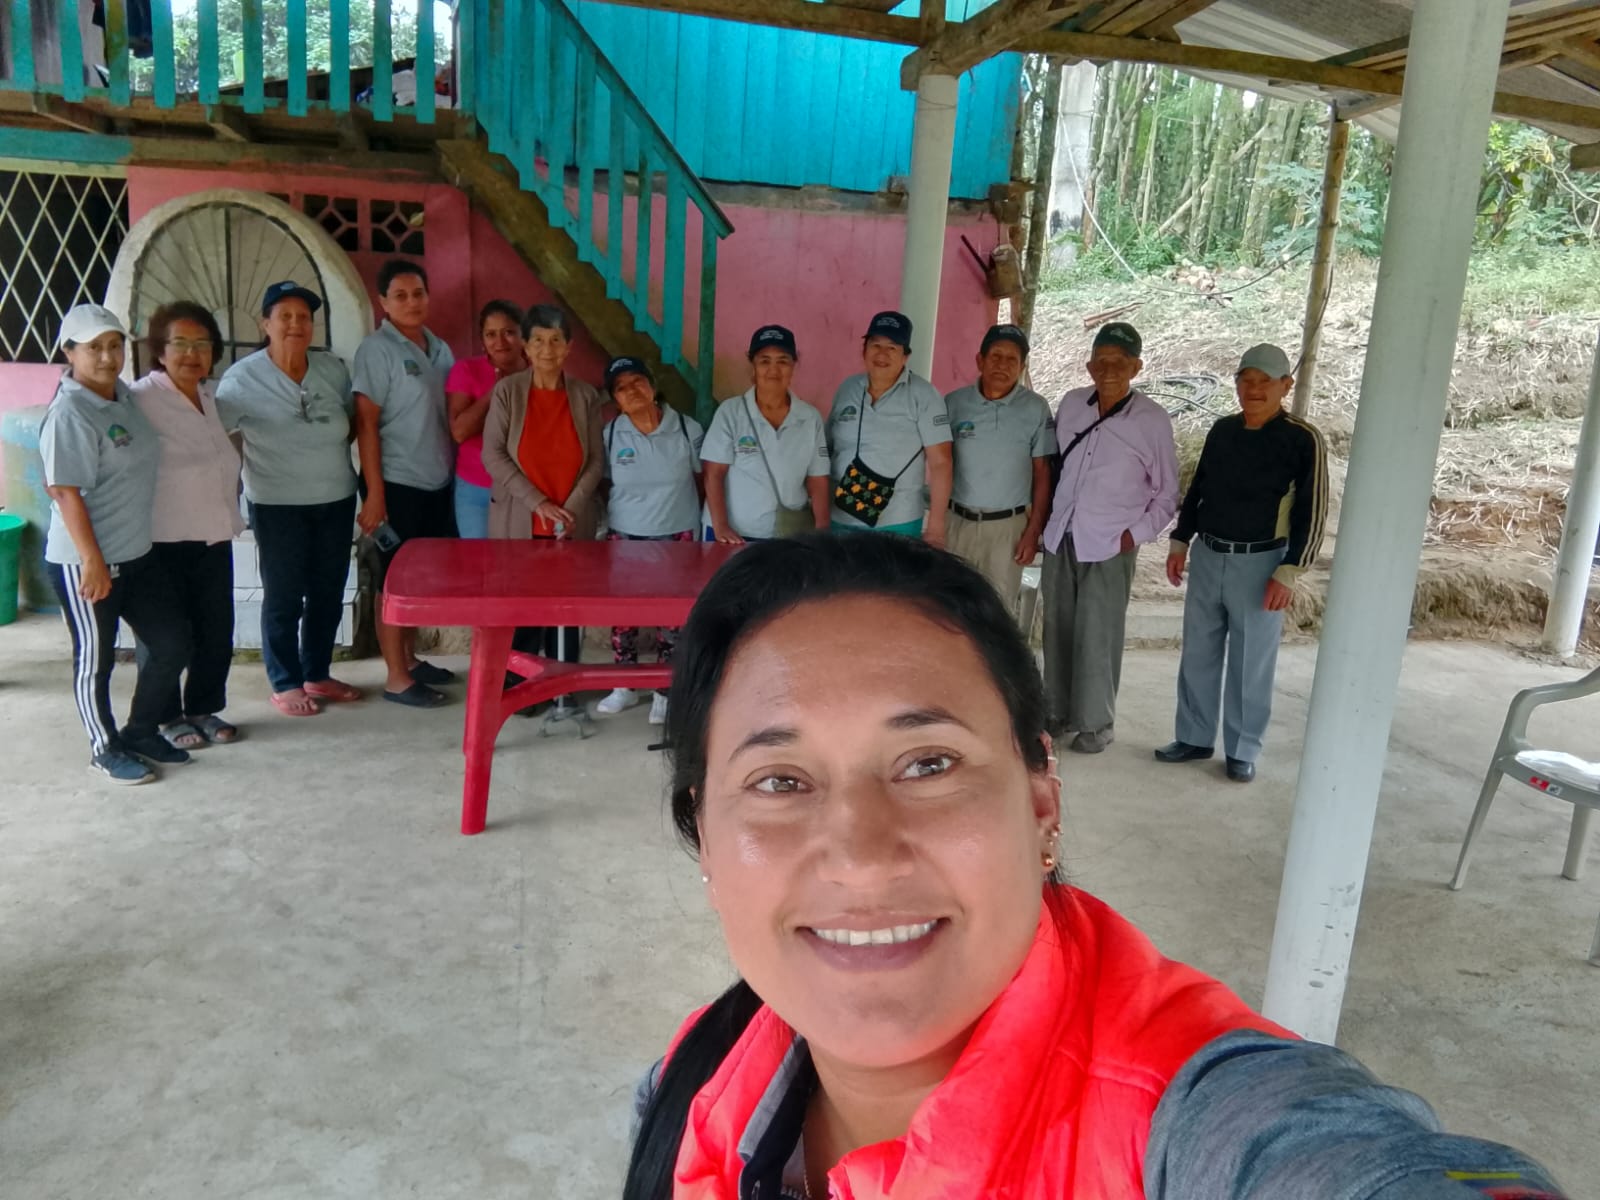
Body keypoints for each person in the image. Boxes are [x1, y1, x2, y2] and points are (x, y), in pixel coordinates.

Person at [624, 534, 1568, 1200]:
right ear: (703, 833)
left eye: (928, 764)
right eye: (779, 781)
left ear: (1042, 801)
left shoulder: (1184, 1120)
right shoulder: (693, 1086)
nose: (863, 856)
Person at [1157, 344, 1329, 783]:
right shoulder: (1223, 430)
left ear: (1285, 386)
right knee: (1198, 652)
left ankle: (1242, 749)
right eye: (1245, 380)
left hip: (1261, 563)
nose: (1253, 389)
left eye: (1264, 382)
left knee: (1251, 662)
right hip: (1209, 555)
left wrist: (1290, 571)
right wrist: (1180, 540)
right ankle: (1194, 736)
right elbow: (1199, 488)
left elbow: (1313, 510)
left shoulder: (1302, 438)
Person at [40, 304, 190, 784]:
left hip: (136, 554)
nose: (107, 357)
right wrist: (92, 560)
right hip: (86, 561)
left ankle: (141, 731)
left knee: (172, 642)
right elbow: (65, 491)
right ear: (69, 353)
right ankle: (103, 749)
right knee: (95, 660)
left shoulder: (123, 397)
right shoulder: (69, 413)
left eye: (114, 345)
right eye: (94, 348)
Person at [217, 281, 364, 718]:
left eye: (304, 317)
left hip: (335, 498)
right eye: (285, 316)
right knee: (284, 595)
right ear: (266, 324)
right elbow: (217, 437)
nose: (296, 324)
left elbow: (352, 424)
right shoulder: (242, 378)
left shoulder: (332, 370)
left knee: (327, 591)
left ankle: (316, 672)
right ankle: (285, 681)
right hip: (277, 504)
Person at [1040, 321, 1178, 754]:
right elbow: (1055, 467)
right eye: (1101, 361)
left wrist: (1133, 536)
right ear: (1089, 366)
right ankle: (1057, 713)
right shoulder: (1072, 405)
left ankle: (1096, 723)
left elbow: (1167, 495)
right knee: (1057, 629)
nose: (1109, 370)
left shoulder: (1151, 420)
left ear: (1137, 367)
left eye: (1120, 362)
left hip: (1110, 543)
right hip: (1062, 535)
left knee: (1098, 634)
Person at [128, 301, 244, 748]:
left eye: (202, 344)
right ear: (160, 350)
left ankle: (203, 708)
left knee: (215, 629)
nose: (192, 354)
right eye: (180, 343)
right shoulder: (140, 399)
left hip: (213, 533)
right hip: (163, 538)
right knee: (166, 637)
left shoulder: (209, 396)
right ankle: (167, 716)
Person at [480, 304, 605, 711]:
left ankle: (562, 689)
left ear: (568, 347)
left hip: (570, 521)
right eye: (538, 341)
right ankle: (520, 690)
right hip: (520, 520)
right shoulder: (509, 392)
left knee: (566, 610)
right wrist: (540, 503)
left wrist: (569, 507)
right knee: (521, 611)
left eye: (555, 340)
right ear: (526, 347)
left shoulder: (585, 396)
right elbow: (493, 455)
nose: (547, 350)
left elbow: (595, 461)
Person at [352, 258, 458, 708]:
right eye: (400, 296)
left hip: (436, 481)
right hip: (394, 483)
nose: (411, 302)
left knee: (417, 579)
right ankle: (396, 678)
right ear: (383, 302)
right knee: (392, 580)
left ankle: (410, 660)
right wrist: (376, 495)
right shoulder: (376, 350)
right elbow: (366, 423)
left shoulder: (440, 349)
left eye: (418, 294)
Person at [593, 357, 705, 725]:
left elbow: (704, 479)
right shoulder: (611, 434)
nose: (632, 391)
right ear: (615, 399)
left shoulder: (686, 428)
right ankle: (624, 685)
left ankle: (664, 690)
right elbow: (603, 482)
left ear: (653, 385)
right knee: (624, 616)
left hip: (678, 534)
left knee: (672, 619)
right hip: (626, 535)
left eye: (637, 381)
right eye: (621, 388)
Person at [943, 323, 1053, 612]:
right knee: (952, 606)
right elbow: (939, 462)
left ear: (1022, 367)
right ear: (980, 360)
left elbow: (1043, 473)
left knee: (998, 610)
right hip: (958, 524)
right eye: (996, 356)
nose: (1003, 365)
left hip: (1008, 530)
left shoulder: (1036, 408)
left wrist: (1033, 531)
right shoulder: (954, 404)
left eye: (1012, 359)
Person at [826, 312, 952, 543]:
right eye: (875, 345)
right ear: (864, 350)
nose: (882, 354)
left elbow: (941, 462)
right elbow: (828, 448)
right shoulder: (847, 389)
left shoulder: (924, 396)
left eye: (892, 347)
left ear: (905, 356)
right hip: (842, 516)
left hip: (898, 523)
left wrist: (936, 526)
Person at [701, 325, 830, 543]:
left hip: (788, 535)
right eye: (764, 361)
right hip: (733, 536)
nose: (773, 370)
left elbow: (817, 479)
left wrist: (822, 531)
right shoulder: (731, 412)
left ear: (794, 365)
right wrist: (721, 526)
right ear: (752, 365)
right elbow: (713, 473)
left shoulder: (809, 417)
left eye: (782, 361)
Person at [445, 299, 524, 539]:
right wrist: (496, 392)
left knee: (522, 558)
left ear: (523, 336)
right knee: (478, 558)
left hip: (525, 490)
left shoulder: (538, 373)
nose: (500, 342)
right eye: (491, 334)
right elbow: (459, 432)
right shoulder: (466, 370)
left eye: (508, 332)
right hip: (476, 488)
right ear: (482, 341)